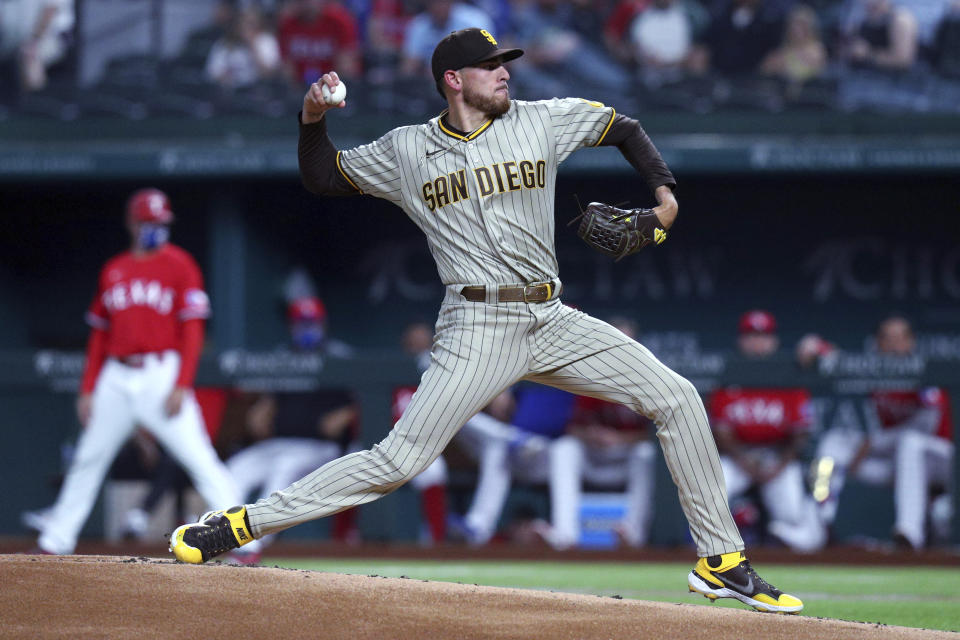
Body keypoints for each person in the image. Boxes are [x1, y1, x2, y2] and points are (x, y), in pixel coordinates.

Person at [170, 27, 803, 615]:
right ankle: (240, 524)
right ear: (453, 79)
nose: (504, 74)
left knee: (678, 397)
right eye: (491, 66)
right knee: (399, 460)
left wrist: (664, 197)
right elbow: (322, 176)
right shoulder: (409, 149)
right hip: (475, 325)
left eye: (505, 64)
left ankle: (721, 559)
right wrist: (311, 120)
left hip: (550, 316)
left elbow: (623, 127)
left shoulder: (540, 120)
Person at [36, 188, 259, 561]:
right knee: (88, 458)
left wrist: (182, 383)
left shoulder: (180, 264)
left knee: (200, 458)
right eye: (148, 222)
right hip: (116, 377)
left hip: (161, 373)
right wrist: (88, 388)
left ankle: (249, 540)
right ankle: (56, 540)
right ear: (132, 223)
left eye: (161, 222)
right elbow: (99, 335)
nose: (155, 228)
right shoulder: (115, 269)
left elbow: (192, 331)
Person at [812, 315, 954, 549]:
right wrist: (814, 346)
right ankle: (819, 523)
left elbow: (927, 425)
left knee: (910, 442)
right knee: (833, 443)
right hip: (903, 467)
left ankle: (910, 532)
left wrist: (870, 443)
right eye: (888, 338)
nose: (895, 344)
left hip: (942, 459)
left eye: (901, 338)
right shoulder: (873, 368)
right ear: (877, 343)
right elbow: (836, 357)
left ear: (911, 342)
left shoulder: (924, 369)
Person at [709, 310, 826, 552]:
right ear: (741, 341)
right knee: (713, 491)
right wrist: (745, 462)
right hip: (738, 456)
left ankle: (776, 538)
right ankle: (717, 544)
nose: (757, 342)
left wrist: (779, 466)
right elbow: (721, 431)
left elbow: (801, 434)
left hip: (777, 456)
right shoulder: (728, 375)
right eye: (751, 336)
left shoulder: (790, 376)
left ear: (774, 341)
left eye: (763, 336)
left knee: (792, 514)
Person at [541, 317, 657, 550]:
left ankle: (632, 534)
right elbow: (572, 427)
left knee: (646, 453)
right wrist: (591, 434)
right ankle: (565, 535)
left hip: (626, 458)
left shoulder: (650, 377)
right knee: (563, 449)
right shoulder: (588, 374)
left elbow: (656, 434)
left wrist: (620, 439)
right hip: (594, 457)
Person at [277, 0, 361, 87]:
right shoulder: (287, 23)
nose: (308, 3)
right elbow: (286, 66)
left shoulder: (340, 20)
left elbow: (347, 64)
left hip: (334, 87)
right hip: (298, 87)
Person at [204, 6, 282, 89]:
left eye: (251, 24)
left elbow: (268, 74)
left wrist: (252, 46)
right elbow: (212, 73)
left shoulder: (267, 41)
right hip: (230, 90)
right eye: (243, 23)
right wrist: (223, 76)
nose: (246, 28)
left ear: (259, 25)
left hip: (258, 90)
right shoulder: (225, 43)